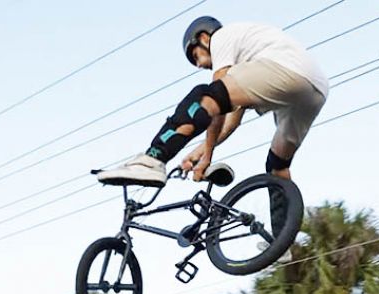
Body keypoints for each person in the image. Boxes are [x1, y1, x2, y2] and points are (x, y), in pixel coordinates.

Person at [96, 16, 329, 188]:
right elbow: (228, 123)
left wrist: (207, 156)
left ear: (204, 38)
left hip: (286, 70)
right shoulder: (245, 69)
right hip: (314, 90)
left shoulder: (222, 37)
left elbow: (214, 104)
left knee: (202, 95)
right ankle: (281, 244)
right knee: (278, 166)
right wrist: (201, 152)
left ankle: (152, 159)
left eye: (195, 55)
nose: (198, 65)